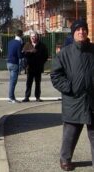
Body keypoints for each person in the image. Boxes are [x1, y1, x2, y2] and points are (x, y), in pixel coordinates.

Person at [50, 19, 94, 171]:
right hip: (73, 101)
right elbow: (55, 75)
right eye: (78, 30)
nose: (81, 32)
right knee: (71, 133)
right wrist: (70, 87)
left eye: (84, 29)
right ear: (73, 33)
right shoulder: (64, 53)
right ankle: (65, 159)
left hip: (92, 100)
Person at [21, 31, 48, 102]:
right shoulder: (27, 45)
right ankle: (27, 97)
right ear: (30, 37)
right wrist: (29, 52)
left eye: (34, 36)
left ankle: (37, 97)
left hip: (38, 67)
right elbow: (24, 55)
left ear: (37, 37)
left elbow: (46, 56)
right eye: (32, 37)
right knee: (29, 83)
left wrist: (41, 62)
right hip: (30, 67)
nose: (33, 38)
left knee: (38, 83)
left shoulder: (42, 45)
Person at [7, 29, 23, 103]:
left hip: (8, 63)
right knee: (13, 82)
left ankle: (12, 97)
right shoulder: (19, 43)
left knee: (11, 81)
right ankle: (11, 98)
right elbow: (19, 55)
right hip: (14, 64)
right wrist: (24, 52)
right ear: (21, 35)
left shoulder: (10, 42)